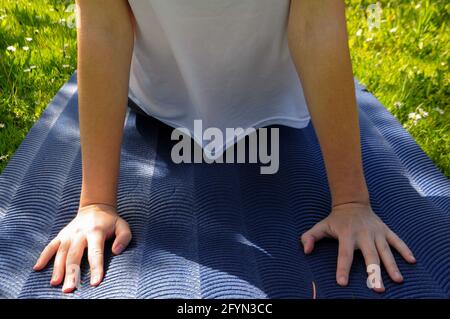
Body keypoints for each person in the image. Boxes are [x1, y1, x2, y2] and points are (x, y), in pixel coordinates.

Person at [33, 0, 416, 294]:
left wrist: (351, 201)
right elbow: (104, 26)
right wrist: (96, 203)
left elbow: (317, 23)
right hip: (156, 102)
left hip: (277, 106)